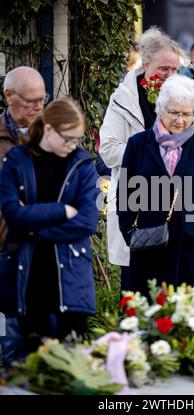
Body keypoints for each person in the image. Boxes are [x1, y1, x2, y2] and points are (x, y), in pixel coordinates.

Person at [0, 97, 99, 366]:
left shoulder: (82, 164)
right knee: (30, 364)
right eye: (68, 139)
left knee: (71, 364)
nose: (73, 145)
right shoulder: (17, 161)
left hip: (70, 272)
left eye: (77, 139)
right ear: (48, 130)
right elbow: (12, 213)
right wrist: (62, 211)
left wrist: (35, 229)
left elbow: (88, 221)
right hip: (26, 270)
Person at [117, 75, 194, 295]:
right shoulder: (138, 144)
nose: (180, 120)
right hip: (150, 249)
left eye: (187, 114)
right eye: (174, 113)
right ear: (160, 109)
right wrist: (130, 232)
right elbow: (125, 195)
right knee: (152, 320)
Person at [99, 27, 188, 291]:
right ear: (145, 64)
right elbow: (108, 150)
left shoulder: (185, 100)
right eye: (163, 69)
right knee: (135, 286)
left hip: (178, 202)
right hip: (137, 202)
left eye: (175, 70)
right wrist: (147, 151)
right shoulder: (123, 99)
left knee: (173, 286)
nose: (170, 76)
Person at [0, 66, 48, 251]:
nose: (38, 107)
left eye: (42, 100)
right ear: (9, 95)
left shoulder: (60, 136)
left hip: (49, 253)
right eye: (31, 101)